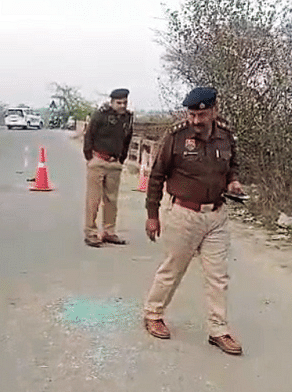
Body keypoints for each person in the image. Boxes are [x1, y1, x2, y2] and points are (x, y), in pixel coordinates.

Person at [142, 87, 244, 356]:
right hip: (184, 215)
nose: (196, 120)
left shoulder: (225, 135)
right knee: (173, 270)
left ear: (214, 111)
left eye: (202, 114)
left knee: (218, 277)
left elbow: (232, 164)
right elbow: (156, 176)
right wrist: (152, 215)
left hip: (217, 216)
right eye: (192, 114)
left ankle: (218, 329)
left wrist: (233, 181)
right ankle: (153, 313)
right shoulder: (176, 137)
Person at [82, 88, 134, 247]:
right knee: (94, 199)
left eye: (125, 102)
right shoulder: (101, 115)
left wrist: (121, 160)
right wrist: (90, 157)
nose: (122, 105)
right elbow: (89, 135)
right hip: (98, 159)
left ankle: (109, 232)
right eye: (119, 102)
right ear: (111, 102)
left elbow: (127, 140)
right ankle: (90, 232)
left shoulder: (128, 118)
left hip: (114, 163)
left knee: (111, 199)